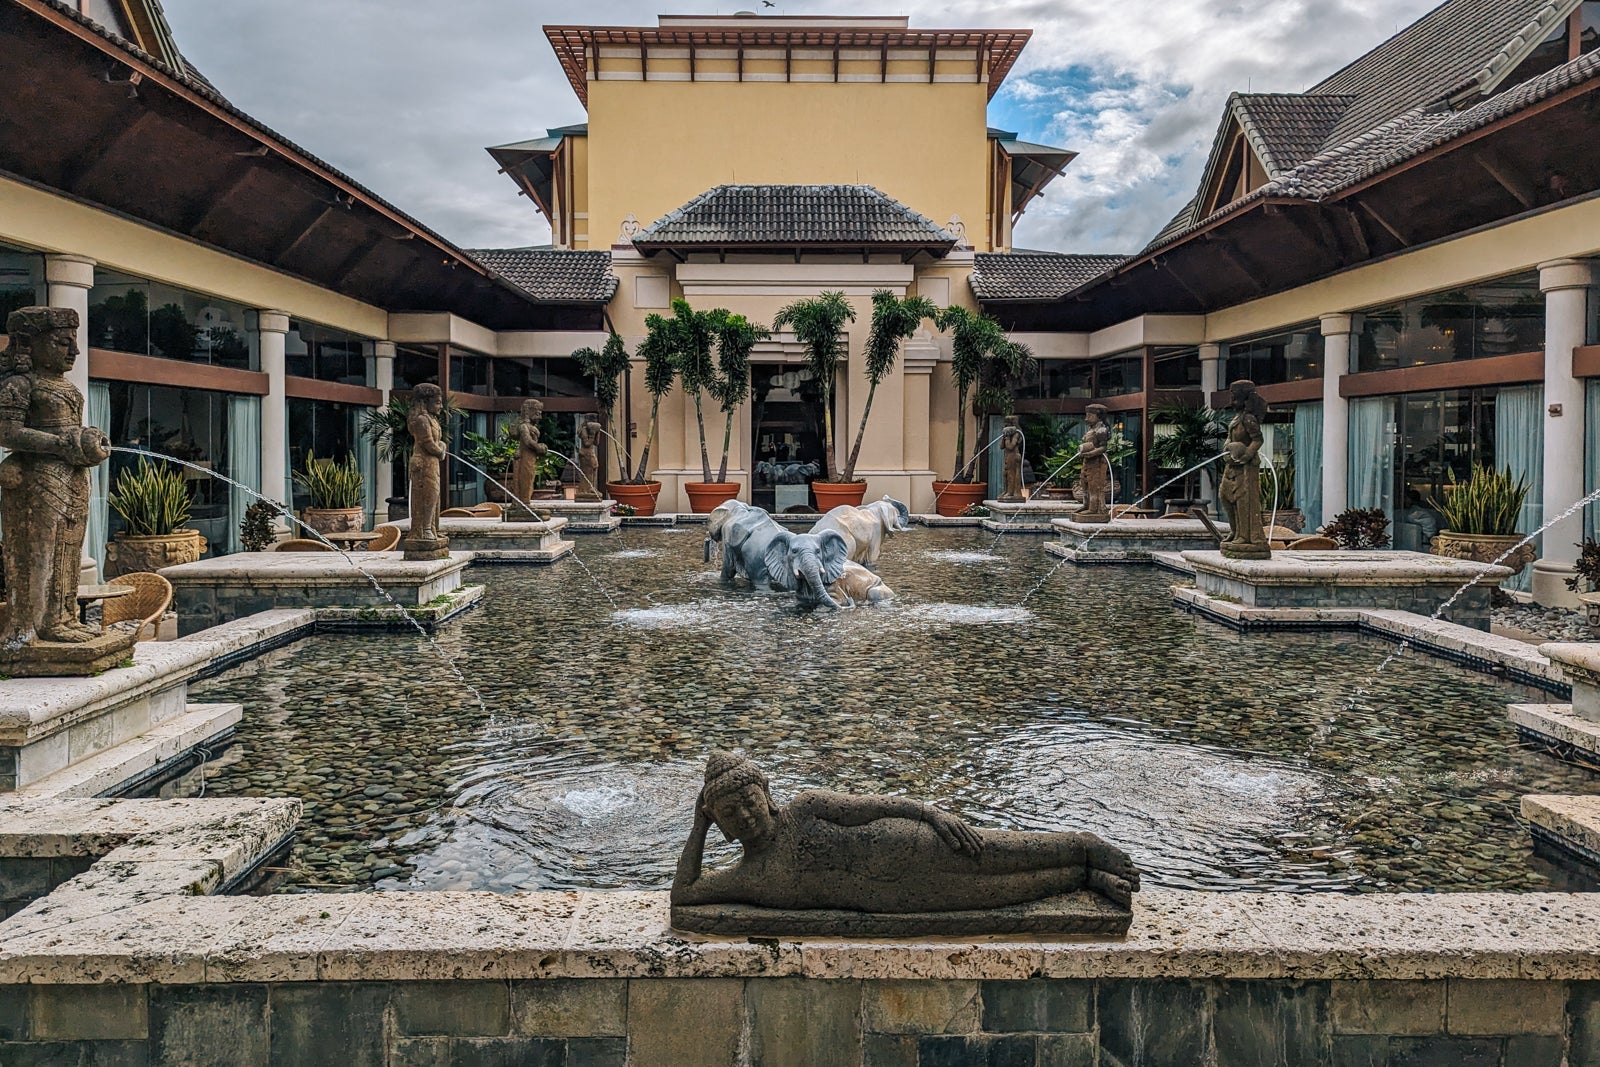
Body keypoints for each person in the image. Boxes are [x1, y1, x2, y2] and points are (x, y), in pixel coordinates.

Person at [671, 751, 1138, 914]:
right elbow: (685, 893)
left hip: (913, 844)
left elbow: (871, 807)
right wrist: (698, 824)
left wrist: (930, 813)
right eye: (731, 814)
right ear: (722, 827)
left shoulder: (806, 808)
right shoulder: (747, 877)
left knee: (1007, 852)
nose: (747, 817)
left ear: (766, 796)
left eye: (749, 802)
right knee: (1009, 892)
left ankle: (1087, 846)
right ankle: (1084, 879)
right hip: (904, 897)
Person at [0, 307, 109, 647]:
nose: (72, 351)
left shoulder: (64, 386)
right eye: (62, 343)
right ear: (31, 345)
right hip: (38, 477)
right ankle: (32, 625)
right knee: (42, 550)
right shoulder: (20, 384)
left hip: (72, 474)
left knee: (69, 546)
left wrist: (85, 441)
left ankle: (63, 617)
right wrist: (61, 443)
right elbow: (8, 432)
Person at [1218, 380, 1270, 559]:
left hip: (1245, 467)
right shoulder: (1237, 417)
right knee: (1225, 497)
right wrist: (1227, 448)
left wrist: (1246, 454)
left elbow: (1258, 439)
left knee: (1243, 500)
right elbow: (1228, 437)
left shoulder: (1248, 418)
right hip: (1231, 464)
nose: (1231, 397)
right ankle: (1235, 530)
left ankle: (1245, 536)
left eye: (1234, 394)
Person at [404, 383, 447, 552]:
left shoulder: (432, 420)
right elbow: (427, 443)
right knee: (427, 494)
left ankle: (431, 528)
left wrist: (441, 446)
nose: (440, 406)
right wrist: (440, 450)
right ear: (424, 402)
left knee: (434, 495)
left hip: (432, 463)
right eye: (437, 402)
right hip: (423, 463)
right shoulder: (422, 420)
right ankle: (423, 530)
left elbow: (437, 441)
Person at [1076, 404, 1112, 522]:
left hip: (1097, 462)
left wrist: (1091, 453)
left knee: (1094, 485)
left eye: (1090, 415)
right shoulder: (1091, 430)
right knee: (1084, 482)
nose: (1087, 418)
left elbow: (1103, 448)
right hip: (1087, 461)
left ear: (1099, 416)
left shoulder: (1101, 430)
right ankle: (1086, 505)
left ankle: (1094, 508)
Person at [998, 415, 1025, 503]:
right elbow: (1001, 447)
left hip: (1014, 456)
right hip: (1007, 457)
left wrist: (1008, 438)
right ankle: (1006, 490)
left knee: (1011, 474)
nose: (1006, 426)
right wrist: (1004, 437)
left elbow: (1010, 446)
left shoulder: (1016, 434)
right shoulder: (1007, 434)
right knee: (1005, 474)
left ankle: (1011, 492)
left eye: (1008, 424)